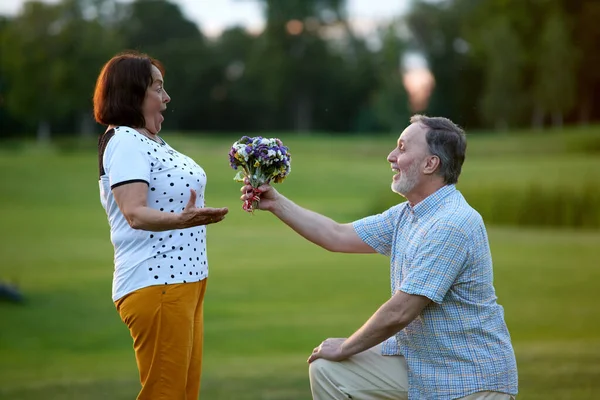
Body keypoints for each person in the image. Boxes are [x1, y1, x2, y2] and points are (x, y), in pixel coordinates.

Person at [240, 115, 518, 400]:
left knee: (337, 359)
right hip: (423, 365)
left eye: (402, 148)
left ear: (430, 164)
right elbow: (335, 235)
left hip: (471, 380)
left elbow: (401, 311)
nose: (391, 156)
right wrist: (276, 203)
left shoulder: (452, 223)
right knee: (329, 370)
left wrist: (346, 346)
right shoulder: (406, 215)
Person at [94, 51, 228, 400]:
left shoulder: (151, 140)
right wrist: (182, 220)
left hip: (186, 282)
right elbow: (135, 212)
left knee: (183, 393)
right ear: (132, 93)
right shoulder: (123, 140)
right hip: (158, 282)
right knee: (165, 394)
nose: (166, 98)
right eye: (158, 88)